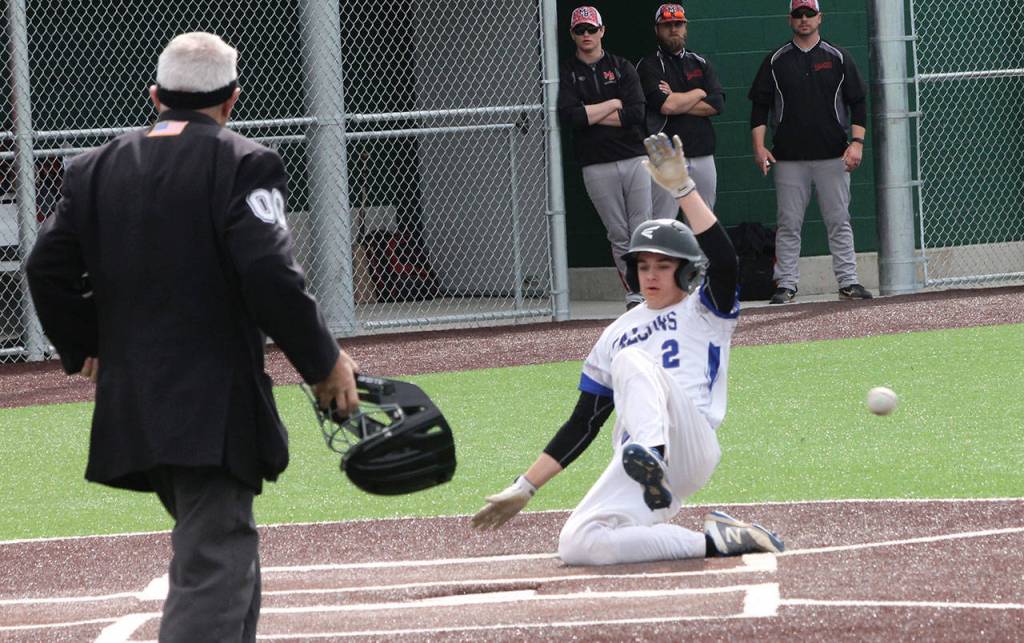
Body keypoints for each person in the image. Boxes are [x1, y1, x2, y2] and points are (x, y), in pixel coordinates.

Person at [26, 32, 360, 640]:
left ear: (155, 96)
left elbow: (44, 268)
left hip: (132, 401)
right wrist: (324, 362)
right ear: (233, 99)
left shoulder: (92, 167)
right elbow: (269, 274)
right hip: (212, 403)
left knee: (224, 548)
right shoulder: (244, 161)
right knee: (214, 558)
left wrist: (86, 346)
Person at [471, 133, 785, 566]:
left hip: (687, 441)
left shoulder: (706, 309)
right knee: (580, 544)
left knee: (633, 361)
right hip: (635, 455)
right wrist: (525, 486)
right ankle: (719, 540)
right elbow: (584, 423)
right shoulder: (615, 332)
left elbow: (726, 261)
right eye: (642, 265)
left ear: (688, 271)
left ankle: (651, 452)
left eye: (663, 265)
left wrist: (683, 191)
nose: (650, 274)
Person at [748, 0, 874, 304]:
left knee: (839, 220)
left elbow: (857, 102)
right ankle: (787, 284)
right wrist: (759, 148)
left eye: (809, 14)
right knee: (788, 224)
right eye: (798, 14)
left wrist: (856, 144)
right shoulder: (776, 60)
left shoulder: (838, 57)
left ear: (820, 17)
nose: (804, 19)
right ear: (790, 19)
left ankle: (848, 282)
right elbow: (759, 108)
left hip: (833, 156)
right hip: (789, 159)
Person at [558, 6, 652, 309]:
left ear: (602, 31)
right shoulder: (568, 71)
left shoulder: (622, 66)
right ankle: (634, 294)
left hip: (634, 157)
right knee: (618, 231)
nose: (586, 35)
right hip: (595, 162)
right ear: (573, 34)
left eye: (591, 29)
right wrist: (613, 103)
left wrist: (592, 113)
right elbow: (571, 117)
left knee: (642, 226)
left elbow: (636, 113)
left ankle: (649, 290)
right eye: (580, 30)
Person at [637, 4, 724, 214]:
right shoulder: (648, 65)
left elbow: (717, 105)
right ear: (657, 29)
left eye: (678, 24)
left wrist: (676, 97)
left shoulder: (700, 62)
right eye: (667, 25)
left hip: (703, 152)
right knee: (664, 220)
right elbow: (666, 106)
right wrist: (700, 93)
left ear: (685, 27)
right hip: (667, 155)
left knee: (704, 218)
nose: (673, 29)